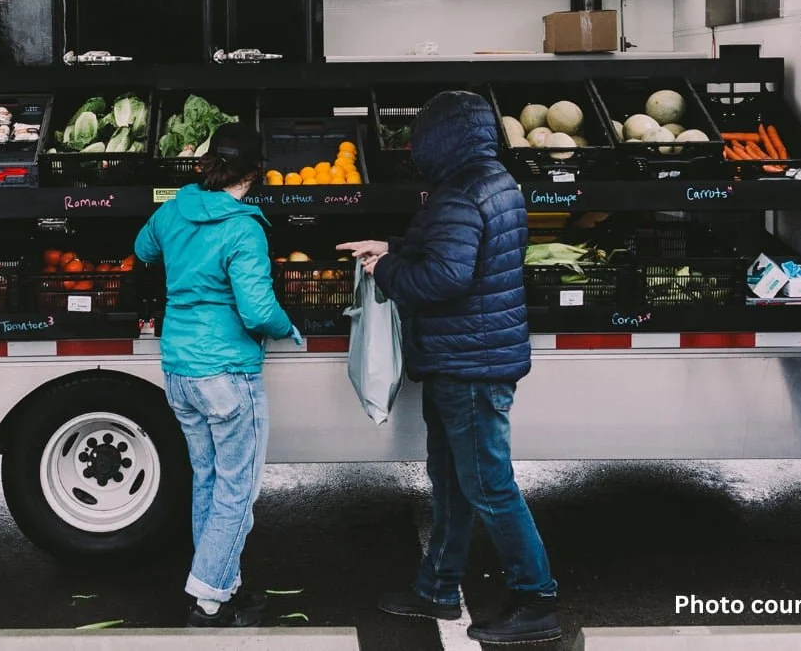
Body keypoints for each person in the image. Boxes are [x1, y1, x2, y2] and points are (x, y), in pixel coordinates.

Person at [338, 90, 560, 646]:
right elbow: (452, 252)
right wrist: (387, 245)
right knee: (454, 483)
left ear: (441, 138)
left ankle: (537, 599)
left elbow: (445, 277)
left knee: (489, 486)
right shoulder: (492, 181)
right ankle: (437, 584)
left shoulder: (461, 191)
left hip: (470, 365)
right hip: (467, 357)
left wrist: (387, 269)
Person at [134, 122, 300, 628]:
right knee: (237, 489)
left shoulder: (174, 209)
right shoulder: (243, 227)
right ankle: (207, 598)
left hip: (180, 370)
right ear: (254, 172)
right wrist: (288, 327)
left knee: (207, 481)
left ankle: (223, 585)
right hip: (227, 373)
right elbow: (256, 310)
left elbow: (143, 251)